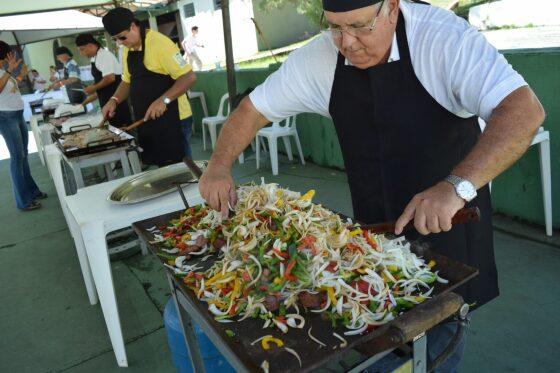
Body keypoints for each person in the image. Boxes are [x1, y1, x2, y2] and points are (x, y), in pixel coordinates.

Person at [198, 0, 545, 371]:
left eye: (361, 26)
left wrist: (455, 186)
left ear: (392, 8)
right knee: (378, 332)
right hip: (372, 237)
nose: (347, 42)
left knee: (438, 333)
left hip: (448, 222)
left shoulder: (442, 38)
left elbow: (524, 110)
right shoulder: (320, 58)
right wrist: (218, 166)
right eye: (334, 27)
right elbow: (252, 109)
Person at [101, 7, 197, 166]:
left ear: (133, 26)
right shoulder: (127, 49)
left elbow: (189, 77)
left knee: (181, 169)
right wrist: (114, 99)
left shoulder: (160, 44)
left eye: (121, 37)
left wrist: (163, 100)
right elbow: (127, 81)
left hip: (174, 119)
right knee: (163, 168)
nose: (119, 43)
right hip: (148, 120)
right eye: (114, 39)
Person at [0, 42, 47, 211]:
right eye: (10, 54)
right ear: (6, 55)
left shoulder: (5, 71)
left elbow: (8, 89)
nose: (12, 57)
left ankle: (32, 191)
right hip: (6, 116)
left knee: (23, 155)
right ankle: (23, 201)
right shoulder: (5, 70)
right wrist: (9, 70)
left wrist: (18, 75)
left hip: (16, 114)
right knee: (17, 157)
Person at [75, 33, 132, 127]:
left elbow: (110, 78)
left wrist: (93, 87)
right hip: (106, 104)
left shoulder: (104, 56)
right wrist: (84, 103)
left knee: (122, 131)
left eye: (82, 50)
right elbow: (100, 88)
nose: (81, 53)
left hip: (116, 104)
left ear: (91, 45)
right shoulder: (95, 58)